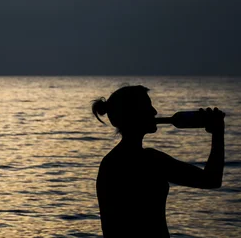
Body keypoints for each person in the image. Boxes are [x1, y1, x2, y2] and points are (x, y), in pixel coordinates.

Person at [92, 85, 225, 237]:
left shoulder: (109, 163)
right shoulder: (150, 161)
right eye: (147, 106)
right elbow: (211, 180)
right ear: (134, 114)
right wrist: (218, 132)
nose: (154, 112)